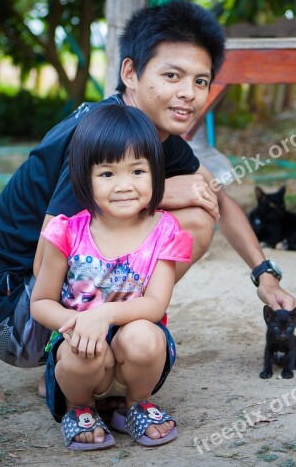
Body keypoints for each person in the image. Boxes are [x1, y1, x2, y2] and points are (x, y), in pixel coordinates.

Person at [0, 0, 296, 376]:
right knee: (193, 219)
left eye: (200, 81)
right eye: (172, 75)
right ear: (130, 73)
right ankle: (75, 362)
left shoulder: (157, 135)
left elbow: (218, 196)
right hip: (12, 317)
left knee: (202, 204)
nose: (188, 92)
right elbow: (49, 253)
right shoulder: (98, 137)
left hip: (37, 301)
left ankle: (110, 347)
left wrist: (264, 275)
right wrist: (158, 195)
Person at [31, 104, 187, 449]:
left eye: (137, 171)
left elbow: (156, 302)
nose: (124, 186)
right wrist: (77, 324)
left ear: (155, 172)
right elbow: (40, 302)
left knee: (145, 336)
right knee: (81, 351)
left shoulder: (164, 230)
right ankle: (79, 407)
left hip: (136, 347)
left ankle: (139, 402)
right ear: (83, 177)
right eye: (107, 174)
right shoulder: (66, 231)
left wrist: (103, 315)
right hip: (82, 345)